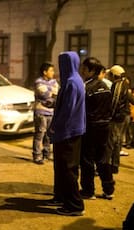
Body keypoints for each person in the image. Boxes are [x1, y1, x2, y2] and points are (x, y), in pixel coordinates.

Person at [46, 51, 86, 216]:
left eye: (61, 63)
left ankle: (75, 205)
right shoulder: (76, 80)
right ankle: (61, 197)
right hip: (72, 130)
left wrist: (54, 127)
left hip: (68, 132)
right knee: (63, 167)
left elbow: (67, 111)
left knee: (67, 169)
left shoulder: (71, 82)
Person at [79, 57, 115, 201]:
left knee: (87, 159)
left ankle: (88, 191)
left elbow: (81, 109)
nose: (82, 71)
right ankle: (108, 189)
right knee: (102, 159)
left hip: (90, 127)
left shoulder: (86, 87)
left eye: (85, 68)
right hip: (105, 127)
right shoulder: (105, 86)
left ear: (92, 70)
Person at [104, 65, 134, 174]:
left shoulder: (116, 85)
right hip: (125, 117)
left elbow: (114, 103)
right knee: (118, 141)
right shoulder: (125, 85)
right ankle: (115, 165)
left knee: (110, 142)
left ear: (114, 75)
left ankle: (107, 165)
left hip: (117, 118)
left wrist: (110, 116)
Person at [32, 62, 59, 164]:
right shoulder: (38, 81)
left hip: (51, 112)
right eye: (51, 70)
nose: (53, 72)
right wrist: (51, 91)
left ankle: (47, 154)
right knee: (40, 134)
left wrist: (51, 91)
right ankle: (37, 156)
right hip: (41, 112)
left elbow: (57, 93)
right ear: (44, 72)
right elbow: (44, 94)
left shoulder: (54, 81)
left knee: (49, 135)